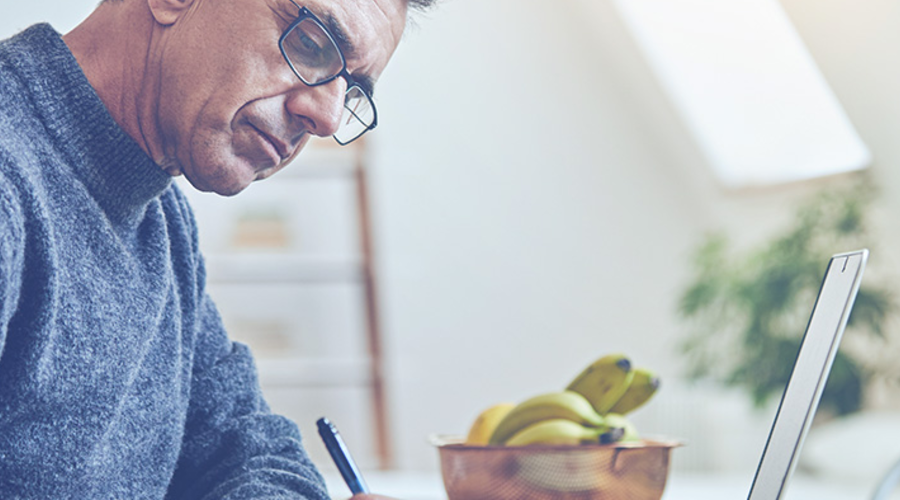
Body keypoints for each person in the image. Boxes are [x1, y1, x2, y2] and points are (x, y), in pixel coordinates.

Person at [0, 0, 434, 498]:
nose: (328, 118)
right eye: (311, 43)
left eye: (351, 91)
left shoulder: (161, 221)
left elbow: (249, 452)